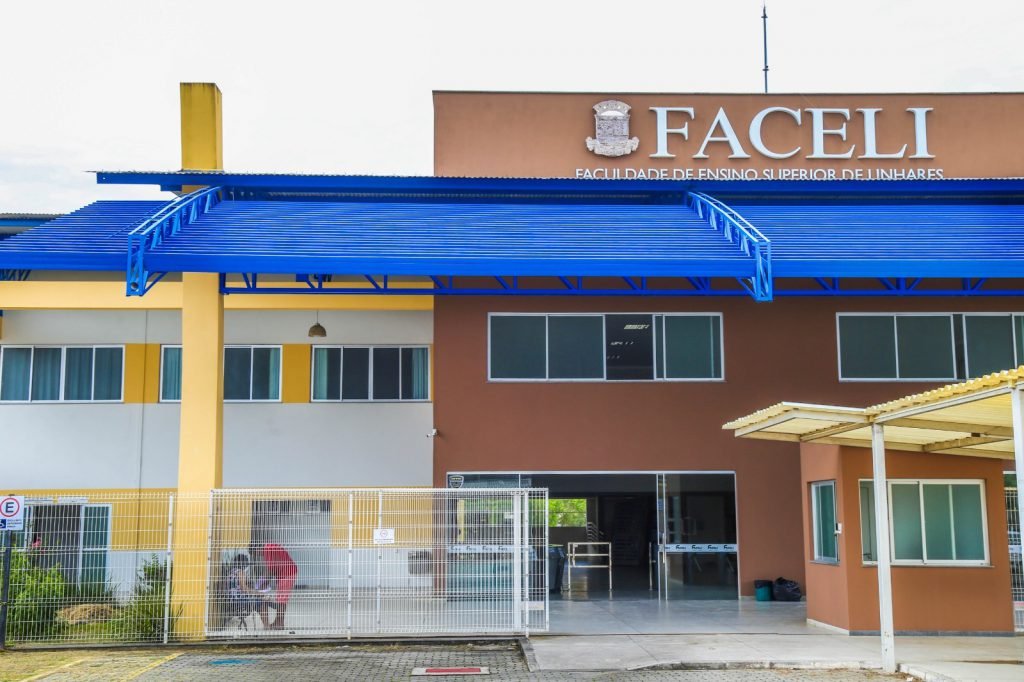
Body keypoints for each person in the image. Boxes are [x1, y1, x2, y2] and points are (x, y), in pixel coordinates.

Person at [226, 554, 271, 629]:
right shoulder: (240, 572)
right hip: (238, 600)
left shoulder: (231, 572)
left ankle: (267, 622)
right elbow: (244, 589)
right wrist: (258, 593)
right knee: (262, 602)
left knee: (261, 599)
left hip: (231, 599)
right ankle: (267, 626)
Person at [262, 542, 298, 629]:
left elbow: (270, 569)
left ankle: (280, 624)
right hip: (285, 572)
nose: (259, 557)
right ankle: (277, 622)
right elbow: (271, 567)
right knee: (280, 599)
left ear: (256, 550)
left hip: (287, 573)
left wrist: (263, 585)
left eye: (256, 554)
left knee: (281, 600)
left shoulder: (267, 549)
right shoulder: (269, 546)